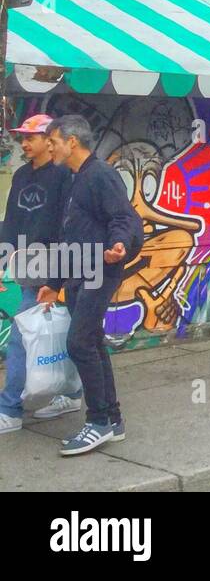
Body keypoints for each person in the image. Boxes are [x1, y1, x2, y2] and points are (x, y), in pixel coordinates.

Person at [39, 115, 143, 457]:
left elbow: (125, 218)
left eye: (52, 140)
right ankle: (112, 420)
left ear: (72, 142)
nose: (48, 147)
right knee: (93, 343)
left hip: (101, 268)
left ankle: (97, 421)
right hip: (79, 273)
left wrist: (119, 245)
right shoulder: (74, 178)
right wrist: (54, 284)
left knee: (79, 341)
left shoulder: (100, 175)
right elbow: (67, 235)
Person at [0, 116, 81, 435]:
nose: (24, 143)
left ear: (50, 140)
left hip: (57, 266)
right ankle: (72, 393)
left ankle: (9, 409)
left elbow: (68, 224)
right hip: (26, 265)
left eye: (30, 137)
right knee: (59, 331)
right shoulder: (21, 174)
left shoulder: (65, 176)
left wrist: (60, 272)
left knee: (22, 335)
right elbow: (11, 222)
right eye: (22, 137)